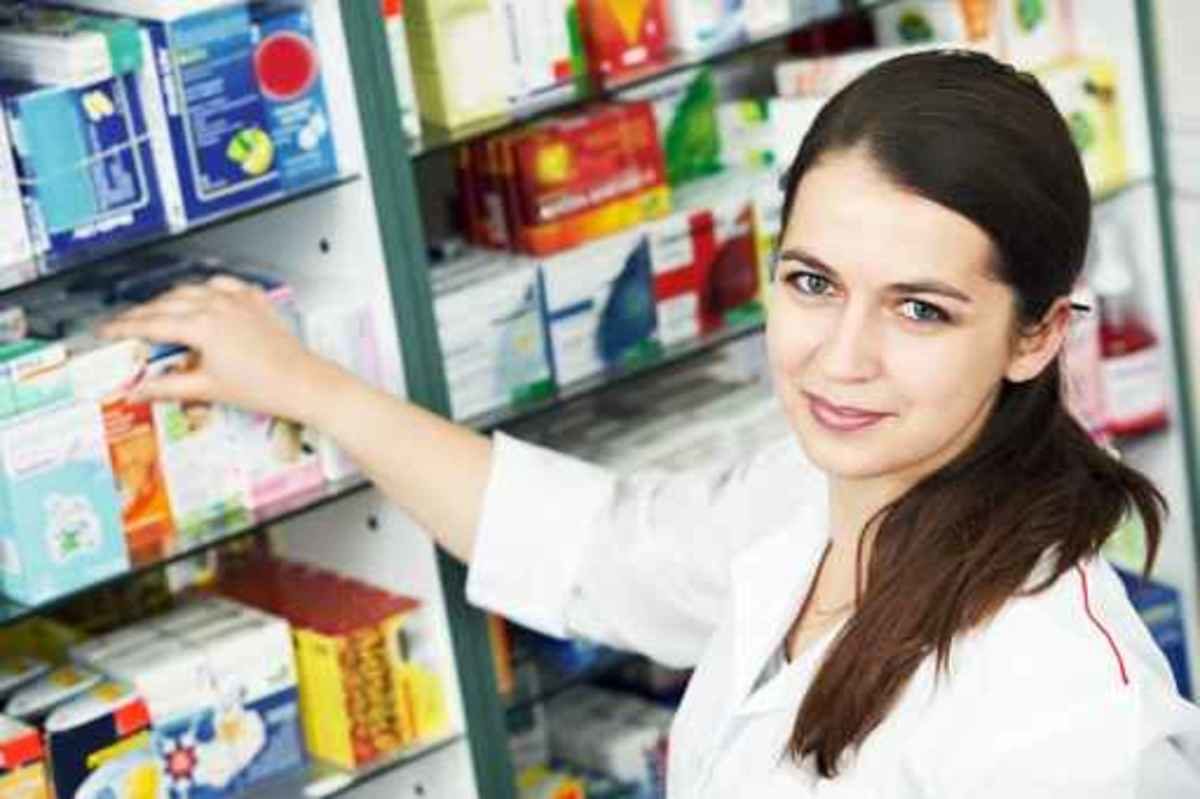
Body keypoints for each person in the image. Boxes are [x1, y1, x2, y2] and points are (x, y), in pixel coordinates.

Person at [102, 50, 1200, 796]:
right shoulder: (804, 500)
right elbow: (585, 546)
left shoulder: (1062, 708)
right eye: (813, 283)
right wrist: (312, 388)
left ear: (1035, 335)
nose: (843, 357)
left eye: (920, 309)